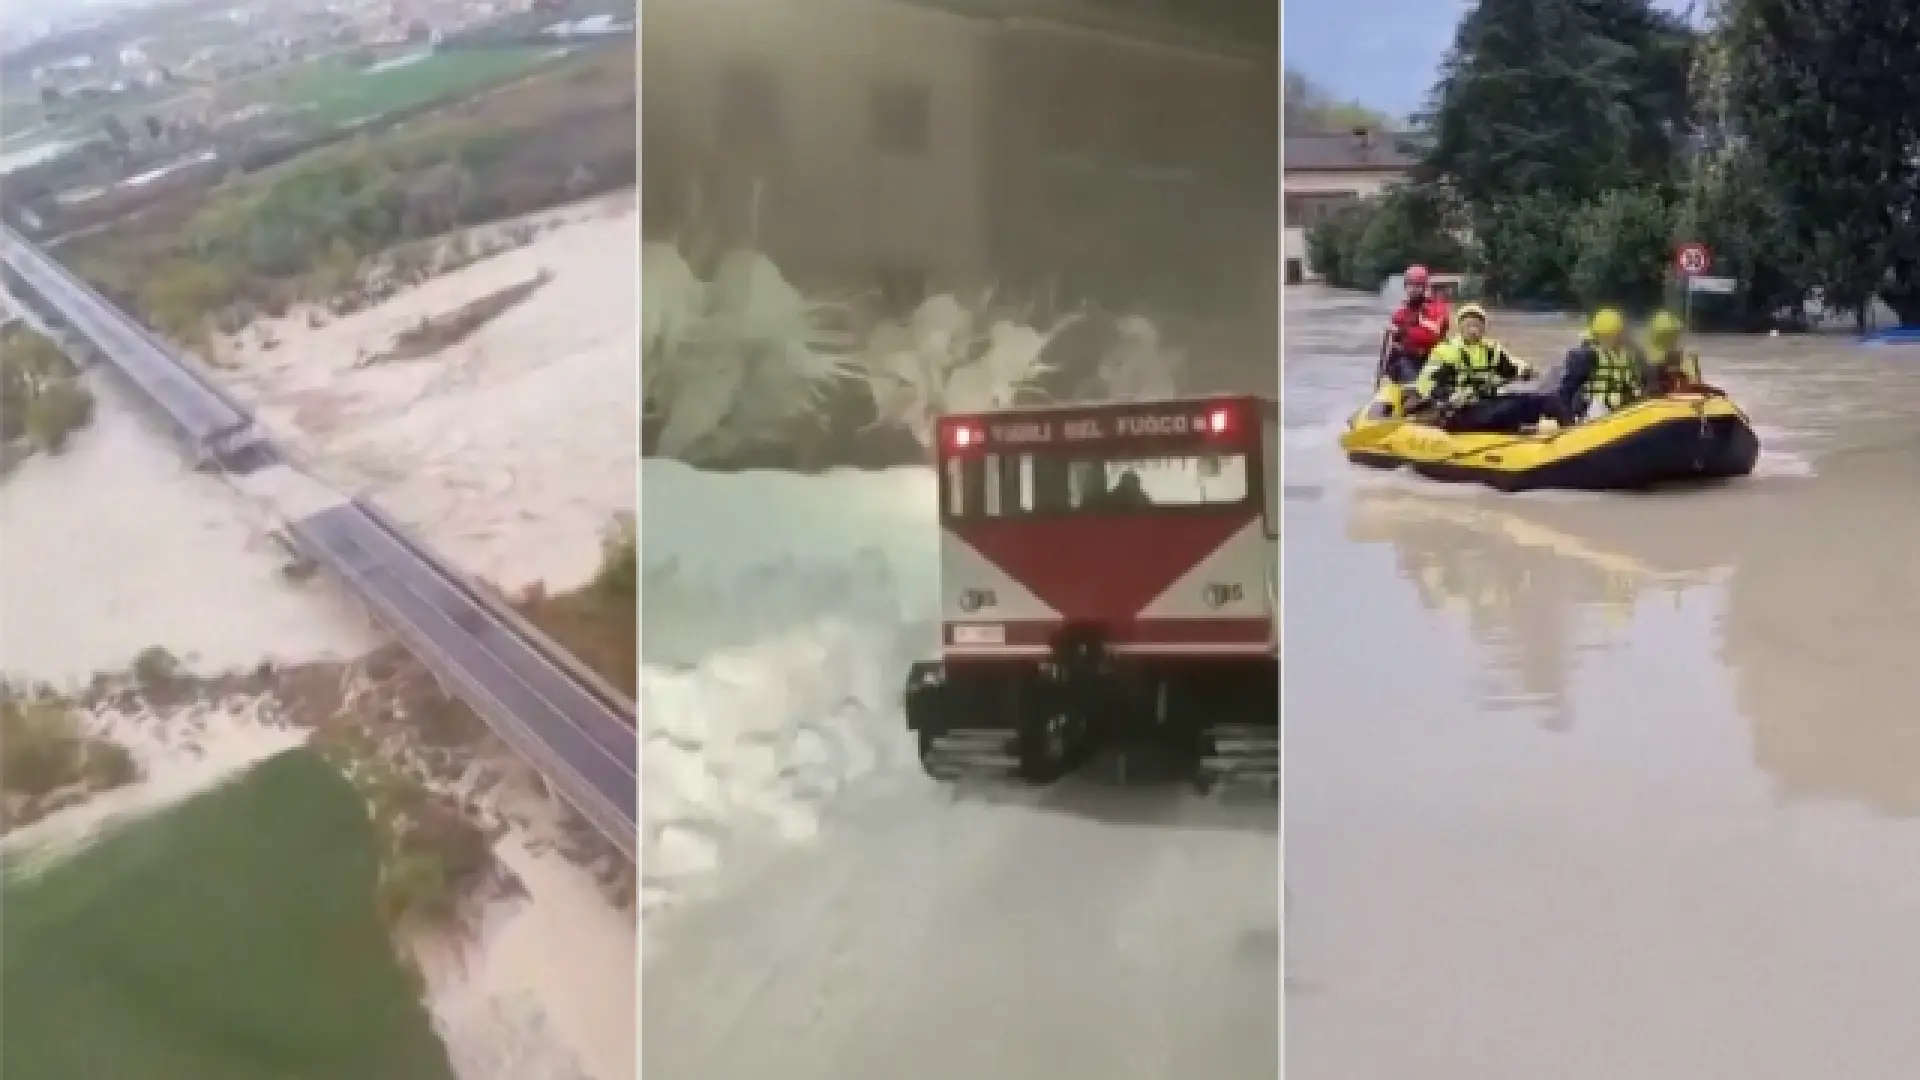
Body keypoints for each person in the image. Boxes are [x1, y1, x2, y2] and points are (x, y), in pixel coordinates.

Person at [1407, 304, 1546, 432]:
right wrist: (1448, 395)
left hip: (1485, 402)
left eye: (1477, 326)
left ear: (1483, 329)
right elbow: (1427, 382)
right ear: (1460, 328)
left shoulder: (1491, 349)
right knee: (1509, 408)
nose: (1473, 330)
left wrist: (1526, 370)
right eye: (1469, 326)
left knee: (1533, 399)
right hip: (1459, 409)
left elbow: (1511, 366)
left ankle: (1530, 433)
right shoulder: (1445, 351)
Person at [1555, 308, 1657, 421]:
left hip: (1629, 411)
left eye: (1620, 334)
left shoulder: (1633, 354)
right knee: (1598, 408)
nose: (1619, 338)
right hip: (1595, 414)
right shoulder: (1585, 355)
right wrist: (1567, 420)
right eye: (1615, 335)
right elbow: (1566, 392)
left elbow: (1648, 382)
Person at [1383, 264, 1451, 383]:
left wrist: (1402, 331)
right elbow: (1395, 343)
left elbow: (1431, 337)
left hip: (1431, 359)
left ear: (1424, 287)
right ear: (1406, 287)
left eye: (1418, 285)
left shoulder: (1436, 308)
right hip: (1407, 361)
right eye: (1411, 285)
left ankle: (1418, 392)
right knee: (1399, 363)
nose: (1414, 289)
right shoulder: (1401, 313)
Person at [1643, 310, 1704, 392]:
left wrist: (1691, 372)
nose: (1677, 337)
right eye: (1673, 335)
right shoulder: (1647, 359)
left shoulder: (1683, 356)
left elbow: (1695, 382)